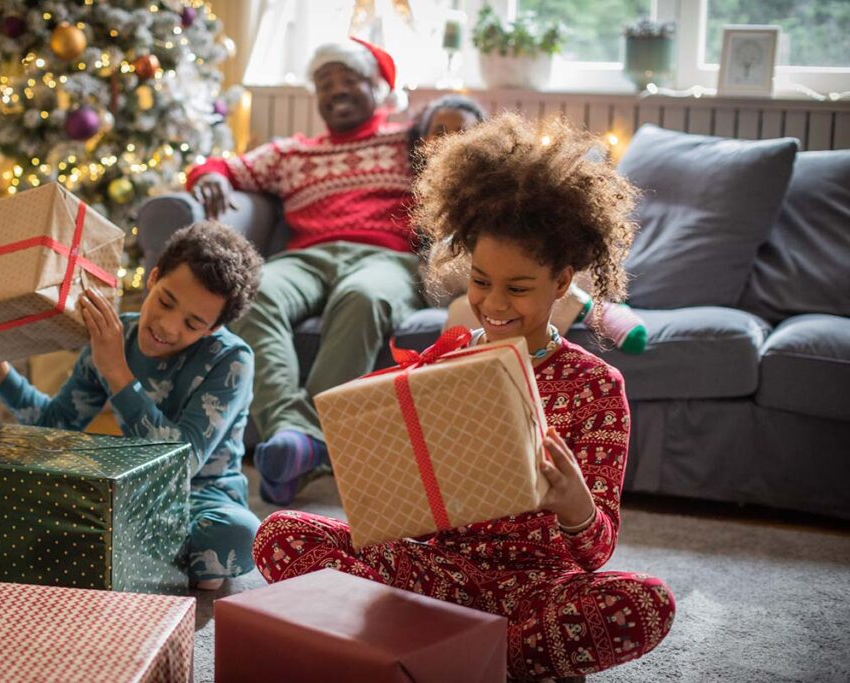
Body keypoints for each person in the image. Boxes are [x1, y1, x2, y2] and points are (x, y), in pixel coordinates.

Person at [252, 114, 675, 681]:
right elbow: (395, 510)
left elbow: (594, 555)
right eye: (480, 281)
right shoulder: (443, 361)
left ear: (562, 280)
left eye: (518, 287)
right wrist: (376, 482)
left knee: (646, 601)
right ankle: (461, 654)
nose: (493, 303)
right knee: (280, 533)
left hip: (532, 590)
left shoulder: (596, 387)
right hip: (426, 577)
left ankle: (446, 653)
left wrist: (575, 506)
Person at [186, 37, 423, 506]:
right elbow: (221, 166)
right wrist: (207, 176)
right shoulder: (290, 152)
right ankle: (297, 433)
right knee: (254, 292)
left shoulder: (407, 142)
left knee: (362, 297)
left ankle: (300, 444)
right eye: (324, 84)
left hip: (384, 257)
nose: (335, 91)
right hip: (307, 257)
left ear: (378, 87)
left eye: (348, 80)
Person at [0, 220, 264, 591]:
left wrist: (116, 371)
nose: (167, 326)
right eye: (165, 301)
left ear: (211, 329)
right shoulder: (114, 336)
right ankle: (147, 557)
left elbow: (183, 462)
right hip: (130, 498)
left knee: (240, 535)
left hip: (203, 499)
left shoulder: (231, 360)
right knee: (17, 499)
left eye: (193, 323)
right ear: (153, 277)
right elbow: (56, 425)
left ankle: (117, 552)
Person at [411, 97, 647, 353]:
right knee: (460, 286)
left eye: (462, 130)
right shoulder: (429, 190)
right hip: (452, 278)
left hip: (537, 265)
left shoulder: (509, 186)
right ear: (423, 138)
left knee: (531, 261)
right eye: (440, 131)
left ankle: (584, 303)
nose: (451, 137)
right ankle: (581, 305)